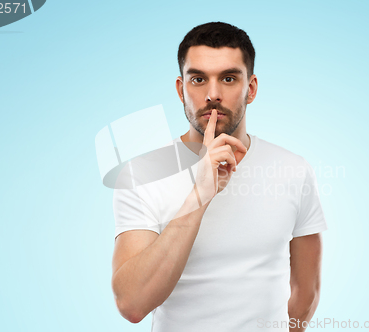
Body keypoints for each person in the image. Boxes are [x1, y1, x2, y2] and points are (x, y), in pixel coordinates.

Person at [111, 22, 328, 332]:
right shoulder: (141, 174)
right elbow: (132, 304)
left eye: (228, 78)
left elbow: (306, 293)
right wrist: (200, 195)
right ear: (180, 89)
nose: (212, 95)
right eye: (198, 79)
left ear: (250, 89)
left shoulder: (293, 168)